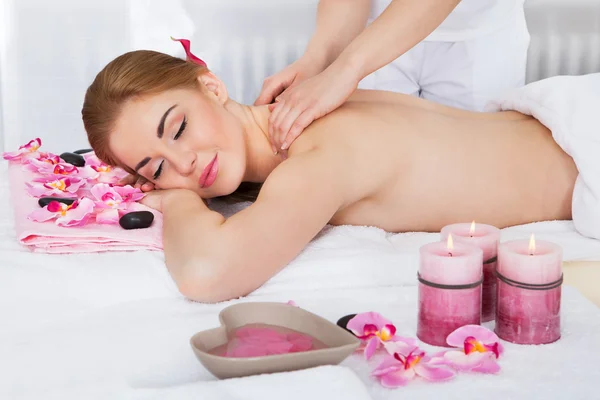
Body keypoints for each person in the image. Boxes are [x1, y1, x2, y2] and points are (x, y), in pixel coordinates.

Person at [81, 49, 576, 304]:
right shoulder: (301, 111)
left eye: (179, 127)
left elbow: (207, 275)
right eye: (158, 167)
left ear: (211, 86)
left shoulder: (317, 157)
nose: (184, 163)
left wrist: (177, 202)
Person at [255, 0, 529, 154]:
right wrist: (319, 58)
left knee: (473, 175)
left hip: (479, 37)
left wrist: (345, 70)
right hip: (373, 34)